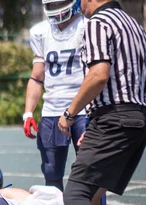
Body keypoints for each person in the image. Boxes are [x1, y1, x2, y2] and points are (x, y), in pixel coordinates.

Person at [52, 0, 146, 205]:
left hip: (114, 116)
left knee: (76, 190)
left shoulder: (96, 23)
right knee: (93, 196)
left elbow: (98, 75)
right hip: (134, 117)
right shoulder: (134, 25)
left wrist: (70, 114)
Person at [24, 0, 87, 192]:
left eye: (61, 2)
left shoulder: (87, 27)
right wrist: (28, 113)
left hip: (84, 109)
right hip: (52, 110)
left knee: (90, 173)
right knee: (51, 174)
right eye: (53, 4)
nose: (58, 8)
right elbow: (37, 77)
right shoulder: (40, 32)